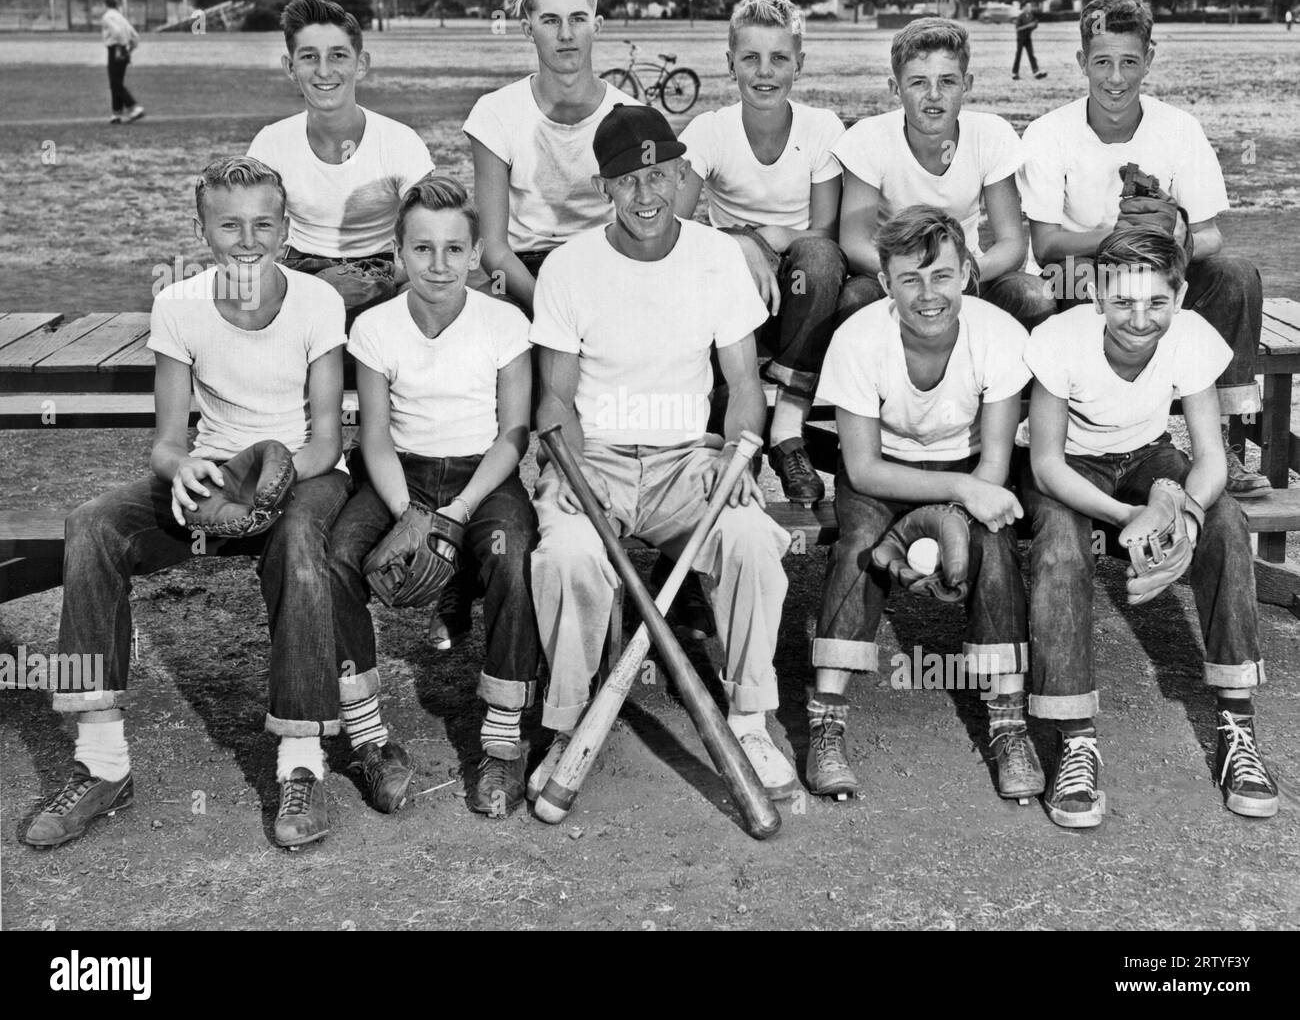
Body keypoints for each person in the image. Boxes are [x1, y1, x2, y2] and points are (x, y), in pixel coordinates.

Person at [23, 157, 351, 851]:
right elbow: (167, 444)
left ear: (286, 229)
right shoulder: (179, 305)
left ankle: (301, 767)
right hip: (217, 474)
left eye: (264, 223)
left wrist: (275, 482)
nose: (248, 239)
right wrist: (192, 469)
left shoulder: (319, 302)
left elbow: (327, 439)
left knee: (298, 546)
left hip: (305, 472)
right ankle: (103, 763)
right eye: (229, 224)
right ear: (202, 231)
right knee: (92, 527)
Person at [528, 105, 798, 801]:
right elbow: (555, 398)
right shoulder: (568, 266)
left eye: (659, 176)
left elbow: (743, 383)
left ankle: (748, 718)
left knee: (751, 539)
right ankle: (567, 724)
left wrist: (741, 456)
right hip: (600, 463)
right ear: (603, 187)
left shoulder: (715, 257)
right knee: (565, 555)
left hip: (689, 463)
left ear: (682, 174)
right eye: (628, 180)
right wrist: (569, 465)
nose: (646, 195)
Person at [1022, 224, 1277, 828]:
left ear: (1180, 295)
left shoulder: (1191, 336)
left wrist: (1181, 517)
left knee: (1227, 520)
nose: (1140, 317)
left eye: (1157, 301)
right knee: (1060, 546)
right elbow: (1046, 462)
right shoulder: (1059, 338)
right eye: (1123, 301)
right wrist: (1131, 517)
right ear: (1095, 293)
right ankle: (1075, 735)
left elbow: (1211, 460)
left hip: (1146, 454)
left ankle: (1236, 723)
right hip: (1071, 467)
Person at [328, 176, 541, 816]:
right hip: (402, 476)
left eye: (454, 249)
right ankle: (368, 737)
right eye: (422, 249)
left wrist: (455, 514)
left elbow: (513, 434)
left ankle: (502, 743)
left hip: (481, 476)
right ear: (398, 254)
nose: (439, 265)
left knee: (514, 553)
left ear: (477, 254)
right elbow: (376, 438)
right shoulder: (375, 326)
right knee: (337, 551)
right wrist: (409, 518)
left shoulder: (504, 322)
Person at [809, 206, 1037, 801]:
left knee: (994, 544)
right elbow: (860, 467)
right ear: (886, 284)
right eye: (909, 279)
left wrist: (959, 510)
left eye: (941, 275)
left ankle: (1008, 722)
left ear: (966, 272)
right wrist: (955, 496)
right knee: (858, 547)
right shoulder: (859, 337)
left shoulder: (999, 334)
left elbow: (991, 466)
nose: (927, 294)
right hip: (886, 469)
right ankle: (826, 719)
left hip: (965, 465)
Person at [1019, 0, 1269, 496]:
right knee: (1038, 290)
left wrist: (1176, 235)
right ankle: (1048, 438)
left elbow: (1212, 235)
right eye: (1103, 62)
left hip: (1156, 277)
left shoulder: (1178, 128)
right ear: (1081, 62)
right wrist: (1122, 236)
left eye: (1129, 62)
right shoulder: (1049, 133)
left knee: (1236, 274)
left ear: (1149, 60)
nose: (1116, 78)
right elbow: (1045, 245)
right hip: (1081, 274)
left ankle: (1224, 445)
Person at [675, 0, 847, 507]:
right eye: (750, 58)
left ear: (800, 63)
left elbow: (825, 233)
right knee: (714, 273)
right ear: (730, 63)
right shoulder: (709, 130)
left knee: (818, 261)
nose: (764, 72)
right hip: (739, 291)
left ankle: (787, 429)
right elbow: (676, 228)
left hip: (805, 292)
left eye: (779, 58)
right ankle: (729, 443)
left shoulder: (822, 127)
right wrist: (737, 243)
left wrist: (761, 237)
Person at [835, 18, 1053, 329]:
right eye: (919, 82)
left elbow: (1011, 244)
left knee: (1033, 296)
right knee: (855, 299)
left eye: (948, 81)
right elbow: (855, 243)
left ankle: (1011, 376)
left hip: (967, 272)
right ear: (895, 88)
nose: (934, 95)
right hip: (895, 274)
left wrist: (962, 271)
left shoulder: (991, 133)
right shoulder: (868, 138)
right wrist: (914, 275)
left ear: (967, 84)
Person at [463, 0, 637, 315]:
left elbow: (643, 228)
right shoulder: (495, 113)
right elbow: (493, 248)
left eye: (577, 19)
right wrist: (549, 309)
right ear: (528, 29)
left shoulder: (630, 115)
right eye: (551, 21)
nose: (566, 34)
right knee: (478, 338)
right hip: (522, 270)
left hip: (604, 264)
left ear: (596, 25)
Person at [247, 0, 435, 326]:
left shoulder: (400, 141)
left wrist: (394, 278)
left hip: (381, 267)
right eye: (309, 57)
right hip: (302, 267)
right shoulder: (271, 143)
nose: (324, 71)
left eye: (338, 55)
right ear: (290, 67)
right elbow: (251, 235)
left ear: (360, 64)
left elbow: (433, 235)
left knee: (430, 299)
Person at [101, 0, 144, 124]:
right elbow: (135, 37)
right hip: (124, 50)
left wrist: (119, 47)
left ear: (105, 5)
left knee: (115, 83)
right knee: (116, 82)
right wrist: (128, 50)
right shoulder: (121, 17)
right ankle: (116, 113)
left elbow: (118, 32)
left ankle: (134, 107)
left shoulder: (107, 17)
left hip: (115, 50)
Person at [1012, 1, 1048, 81]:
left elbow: (1033, 25)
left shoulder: (1031, 16)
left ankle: (1036, 72)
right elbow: (1018, 28)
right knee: (1018, 55)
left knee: (1031, 55)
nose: (1029, 8)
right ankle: (1015, 73)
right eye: (1028, 7)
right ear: (1024, 8)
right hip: (1021, 38)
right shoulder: (1020, 17)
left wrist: (1035, 25)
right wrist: (1029, 25)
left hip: (1028, 38)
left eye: (1030, 7)